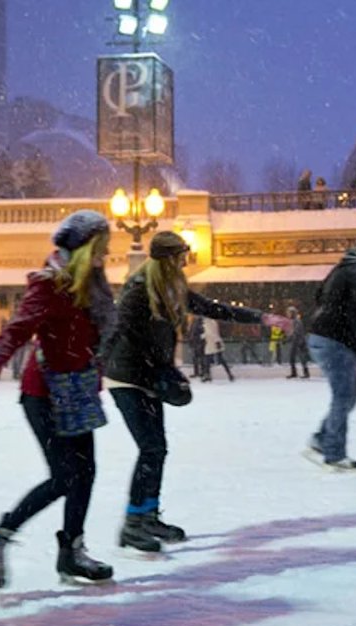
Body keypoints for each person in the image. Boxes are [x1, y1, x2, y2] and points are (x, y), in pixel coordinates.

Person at [100, 231, 289, 552]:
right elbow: (125, 335)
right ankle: (133, 523)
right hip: (128, 378)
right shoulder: (138, 290)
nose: (186, 260)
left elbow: (213, 308)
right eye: (182, 255)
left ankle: (148, 515)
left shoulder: (172, 288)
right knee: (150, 447)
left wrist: (261, 317)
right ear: (170, 259)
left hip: (149, 376)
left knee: (157, 448)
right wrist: (161, 370)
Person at [0, 210, 117, 590]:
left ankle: (71, 553)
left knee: (85, 473)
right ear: (83, 249)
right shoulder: (49, 285)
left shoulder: (93, 285)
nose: (107, 254)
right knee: (65, 476)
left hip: (80, 389)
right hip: (46, 394)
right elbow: (16, 331)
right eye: (101, 247)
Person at [305, 231, 356, 470]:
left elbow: (319, 295)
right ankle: (334, 455)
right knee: (344, 394)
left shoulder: (343, 267)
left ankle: (321, 440)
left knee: (351, 391)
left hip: (320, 335)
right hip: (335, 339)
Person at [202, 317, 236, 381]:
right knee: (212, 359)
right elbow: (210, 332)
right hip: (211, 342)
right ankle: (229, 374)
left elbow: (213, 333)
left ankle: (207, 375)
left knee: (209, 360)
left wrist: (216, 341)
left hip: (212, 343)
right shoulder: (209, 322)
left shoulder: (209, 322)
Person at [286, 306, 310, 378]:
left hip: (298, 342)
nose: (288, 314)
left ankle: (305, 373)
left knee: (301, 357)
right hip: (296, 341)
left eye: (289, 313)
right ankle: (295, 372)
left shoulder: (296, 321)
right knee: (293, 358)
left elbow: (296, 332)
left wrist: (291, 337)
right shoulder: (293, 321)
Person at [187, 315, 206, 380]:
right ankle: (197, 372)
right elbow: (191, 333)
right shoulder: (194, 322)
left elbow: (203, 334)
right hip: (195, 343)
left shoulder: (201, 323)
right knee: (195, 358)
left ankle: (202, 372)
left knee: (200, 358)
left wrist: (200, 341)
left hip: (198, 343)